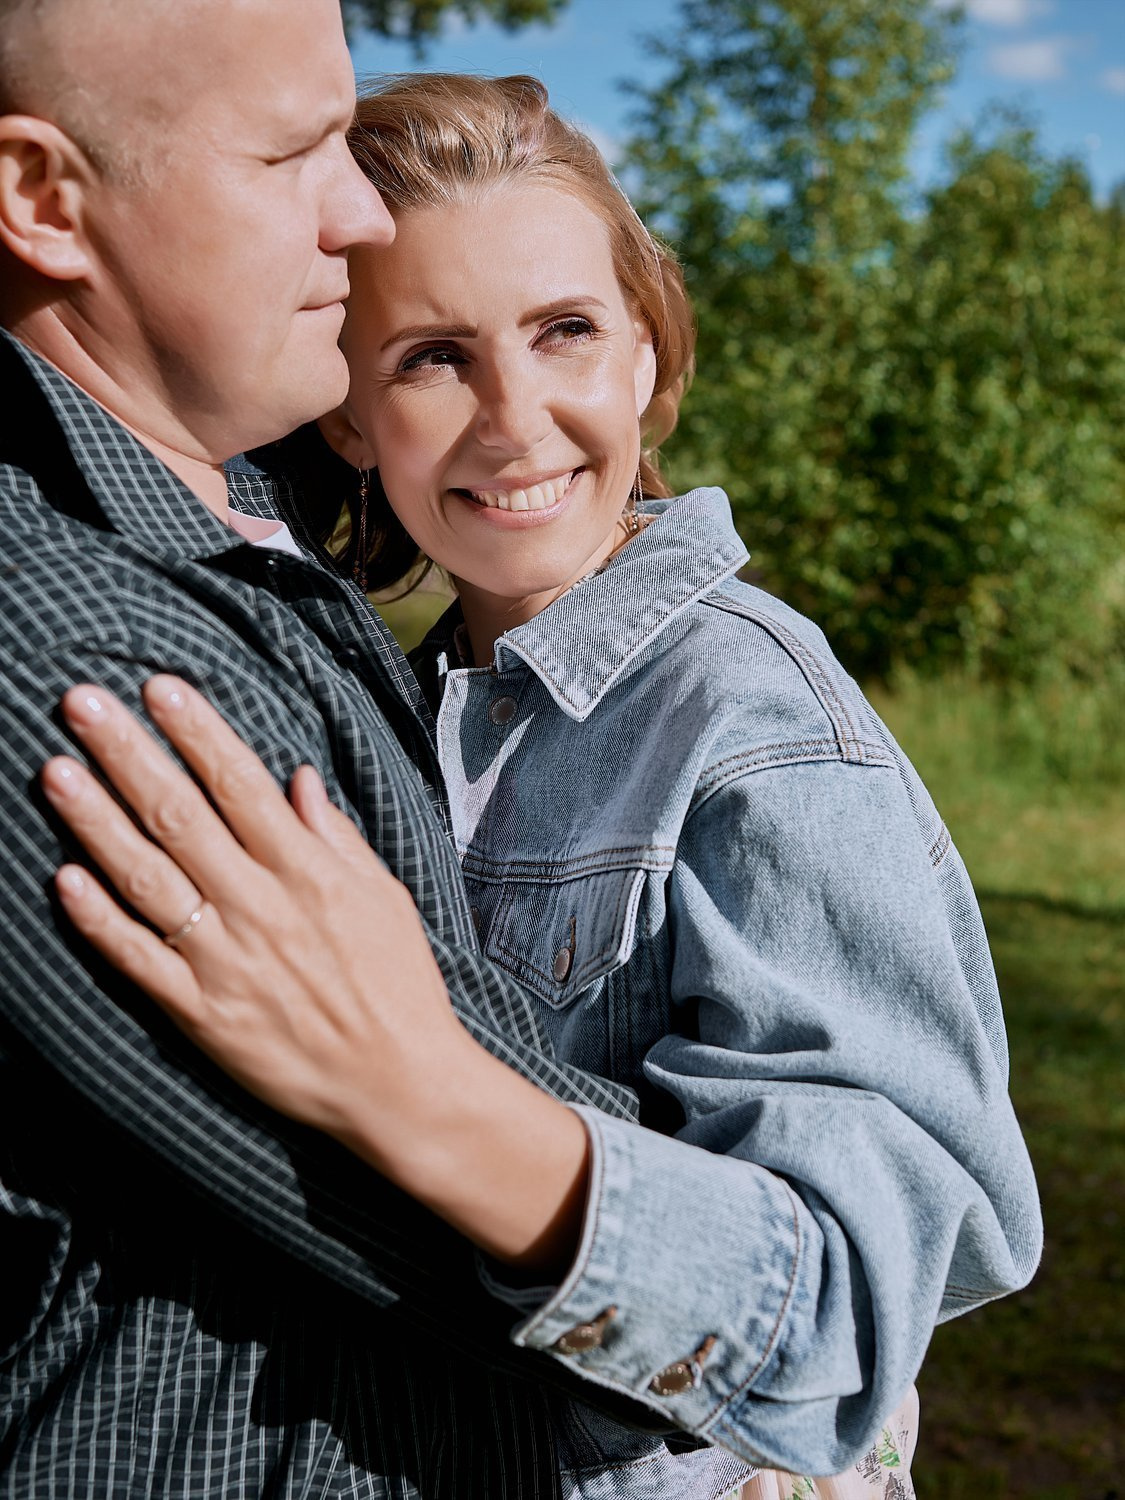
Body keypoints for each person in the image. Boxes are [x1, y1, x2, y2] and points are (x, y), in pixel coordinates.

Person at [36, 70, 1044, 1498]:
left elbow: (839, 1323)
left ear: (643, 353)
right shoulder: (390, 696)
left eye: (564, 331)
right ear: (345, 416)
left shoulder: (753, 723)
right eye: (432, 357)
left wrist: (413, 1088)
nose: (513, 418)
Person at [0, 8, 687, 1498]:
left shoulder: (230, 520)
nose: (361, 212)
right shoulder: (102, 679)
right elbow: (583, 1333)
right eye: (295, 149)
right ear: (43, 198)